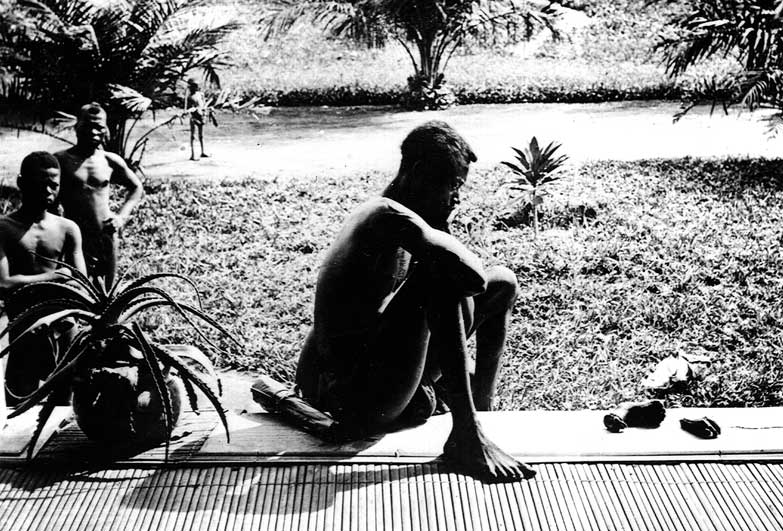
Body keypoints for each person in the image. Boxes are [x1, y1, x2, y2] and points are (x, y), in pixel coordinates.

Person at [295, 121, 535, 483]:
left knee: (503, 283)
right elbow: (467, 276)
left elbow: (481, 284)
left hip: (381, 378)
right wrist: (441, 230)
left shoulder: (407, 219)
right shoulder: (385, 216)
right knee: (440, 274)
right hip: (349, 395)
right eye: (453, 186)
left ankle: (480, 413)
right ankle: (466, 433)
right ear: (420, 174)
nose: (457, 198)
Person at [0, 151, 87, 405]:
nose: (48, 191)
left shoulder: (67, 229)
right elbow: (3, 284)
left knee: (64, 408)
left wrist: (55, 281)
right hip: (24, 329)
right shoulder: (4, 228)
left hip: (64, 328)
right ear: (21, 182)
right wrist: (54, 277)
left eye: (54, 185)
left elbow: (80, 282)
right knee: (17, 409)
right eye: (41, 184)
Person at [55, 103, 144, 290]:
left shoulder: (109, 161)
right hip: (75, 235)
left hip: (105, 235)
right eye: (88, 126)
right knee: (76, 286)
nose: (94, 132)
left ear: (106, 130)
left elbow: (136, 187)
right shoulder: (61, 160)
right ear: (77, 127)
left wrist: (121, 217)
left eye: (99, 127)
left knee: (107, 291)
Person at [186, 79, 209, 161]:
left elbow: (204, 104)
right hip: (194, 117)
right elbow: (188, 108)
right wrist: (193, 109)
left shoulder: (201, 94)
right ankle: (192, 155)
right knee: (193, 136)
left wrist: (204, 112)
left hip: (201, 115)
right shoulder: (189, 97)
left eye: (195, 86)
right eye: (193, 87)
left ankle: (203, 152)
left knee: (201, 135)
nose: (194, 88)